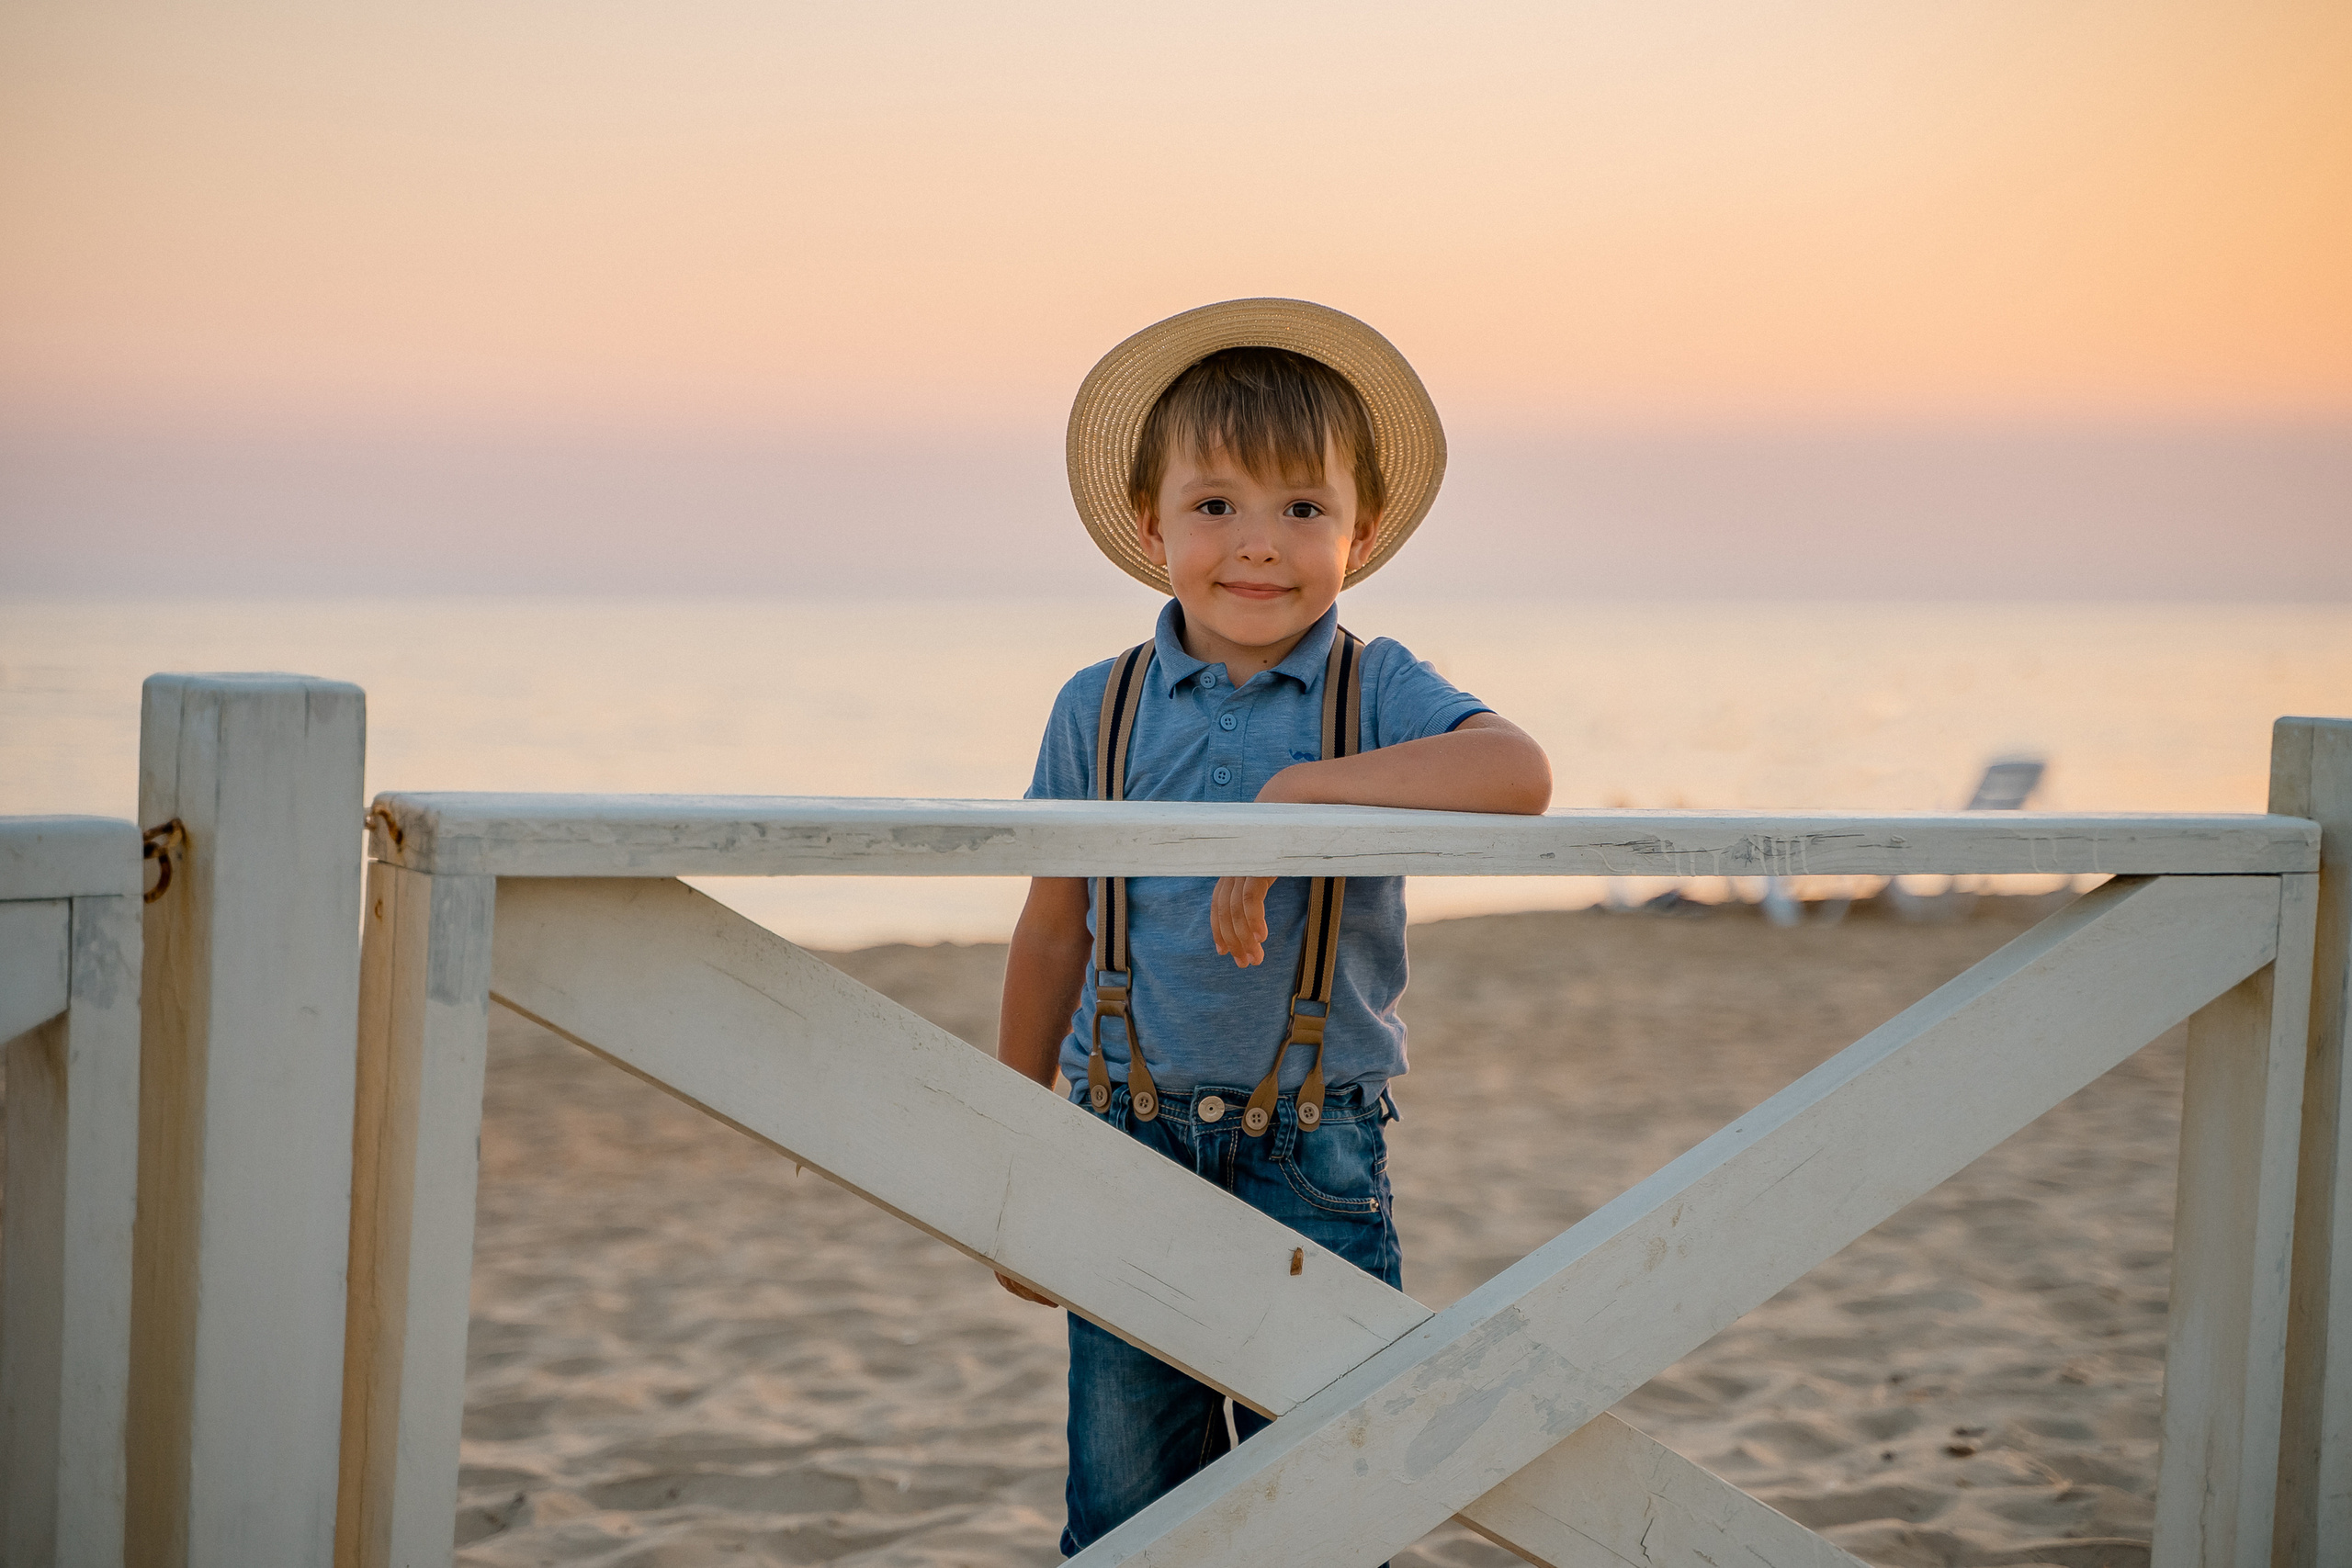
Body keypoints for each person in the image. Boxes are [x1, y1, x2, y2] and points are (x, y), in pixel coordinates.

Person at [993, 299, 1553, 1557]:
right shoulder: (1101, 706)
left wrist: (1299, 796)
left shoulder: (1374, 686)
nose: (1258, 545)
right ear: (1152, 529)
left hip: (1315, 1153)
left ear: (1361, 535)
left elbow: (1517, 772)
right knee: (1127, 1513)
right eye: (1216, 506)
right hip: (1121, 1137)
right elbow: (1053, 927)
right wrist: (1016, 1150)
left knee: (1333, 1508)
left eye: (1303, 508)